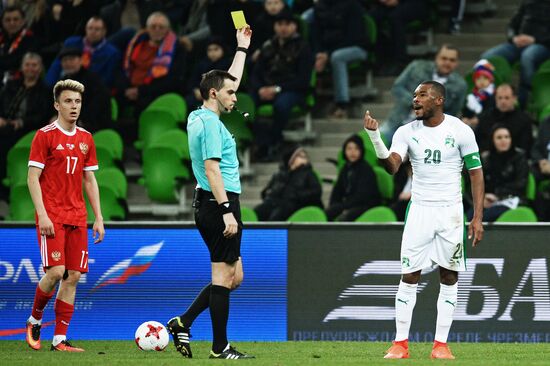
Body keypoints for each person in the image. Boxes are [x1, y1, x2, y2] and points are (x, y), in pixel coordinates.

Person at [364, 80, 484, 359]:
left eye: (422, 95)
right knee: (409, 274)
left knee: (449, 275)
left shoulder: (460, 130)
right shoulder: (406, 132)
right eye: (414, 95)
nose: (415, 100)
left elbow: (476, 173)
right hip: (420, 210)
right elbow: (393, 166)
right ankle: (400, 344)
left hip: (451, 212)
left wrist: (477, 217)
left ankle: (440, 345)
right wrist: (375, 138)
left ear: (439, 100)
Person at [166, 26, 254, 360]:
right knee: (223, 275)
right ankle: (220, 347)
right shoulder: (213, 127)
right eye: (231, 93)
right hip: (220, 203)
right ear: (215, 95)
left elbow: (227, 80)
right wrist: (227, 209)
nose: (236, 96)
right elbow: (213, 169)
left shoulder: (199, 116)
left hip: (212, 202)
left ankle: (183, 321)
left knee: (233, 277)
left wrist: (241, 48)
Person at [25, 79, 105, 352]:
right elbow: (32, 178)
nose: (74, 106)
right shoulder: (44, 135)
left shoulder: (86, 139)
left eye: (78, 101)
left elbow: (90, 180)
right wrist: (42, 214)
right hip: (53, 216)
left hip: (77, 216)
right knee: (56, 271)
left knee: (73, 277)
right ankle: (34, 319)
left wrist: (99, 217)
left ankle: (59, 339)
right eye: (68, 101)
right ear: (57, 105)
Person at [249, 9, 313, 160]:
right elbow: (256, 73)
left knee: (281, 105)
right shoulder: (268, 46)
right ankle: (263, 142)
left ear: (295, 26)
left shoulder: (303, 48)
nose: (283, 28)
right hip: (266, 88)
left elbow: (303, 80)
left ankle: (274, 143)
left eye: (287, 24)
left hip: (291, 89)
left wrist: (277, 89)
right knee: (244, 105)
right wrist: (260, 89)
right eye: (279, 24)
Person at [382, 44, 466, 139]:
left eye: (452, 60)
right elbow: (397, 87)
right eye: (444, 58)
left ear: (457, 63)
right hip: (398, 121)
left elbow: (453, 113)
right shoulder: (417, 67)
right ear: (436, 58)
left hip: (428, 132)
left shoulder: (460, 85)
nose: (447, 63)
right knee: (376, 145)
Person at [0, 52, 52, 200]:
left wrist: (21, 122)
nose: (30, 69)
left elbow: (42, 115)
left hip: (28, 129)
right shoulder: (11, 85)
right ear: (22, 67)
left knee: (5, 143)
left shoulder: (45, 90)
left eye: (34, 65)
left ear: (40, 68)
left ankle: (7, 182)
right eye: (27, 65)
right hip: (6, 124)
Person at [480, 0, 550, 108]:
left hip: (543, 45)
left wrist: (535, 39)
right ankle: (491, 97)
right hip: (518, 44)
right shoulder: (527, 3)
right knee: (487, 57)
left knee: (527, 56)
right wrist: (514, 38)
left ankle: (527, 97)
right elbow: (511, 26)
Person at [116, 11, 186, 117]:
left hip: (153, 92)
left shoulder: (176, 49)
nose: (157, 30)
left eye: (161, 27)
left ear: (168, 30)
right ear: (147, 28)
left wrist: (140, 91)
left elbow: (172, 80)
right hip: (129, 88)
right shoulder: (136, 43)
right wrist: (126, 88)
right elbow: (124, 68)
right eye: (153, 27)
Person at [312, 0, 368, 118]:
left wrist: (327, 54)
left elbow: (353, 36)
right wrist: (319, 53)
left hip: (356, 47)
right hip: (328, 51)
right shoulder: (319, 7)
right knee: (308, 55)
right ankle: (311, 101)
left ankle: (342, 103)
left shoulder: (353, 5)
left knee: (337, 57)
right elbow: (315, 34)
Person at [467, 125, 528, 222]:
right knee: (471, 216)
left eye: (507, 137)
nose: (503, 140)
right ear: (492, 140)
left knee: (485, 217)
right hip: (490, 199)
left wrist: (497, 194)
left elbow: (521, 183)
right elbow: (481, 182)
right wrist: (484, 196)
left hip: (510, 199)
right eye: (499, 137)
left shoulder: (519, 157)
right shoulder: (487, 158)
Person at [45, 16, 121, 88]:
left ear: (104, 32)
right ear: (85, 29)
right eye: (90, 28)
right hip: (64, 83)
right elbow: (56, 65)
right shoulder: (71, 42)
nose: (93, 32)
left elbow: (107, 79)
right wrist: (49, 86)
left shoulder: (112, 53)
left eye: (97, 29)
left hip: (91, 89)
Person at [254, 145, 323, 221]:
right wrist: (268, 193)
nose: (304, 159)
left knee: (278, 214)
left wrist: (297, 195)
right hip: (275, 202)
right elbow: (267, 191)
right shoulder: (279, 175)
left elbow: (316, 192)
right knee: (259, 211)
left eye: (305, 156)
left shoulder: (309, 174)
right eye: (300, 156)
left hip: (296, 204)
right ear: (292, 158)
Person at [54, 46, 112, 133]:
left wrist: (80, 119)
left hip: (91, 125)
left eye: (72, 59)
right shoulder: (61, 82)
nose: (68, 63)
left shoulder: (92, 79)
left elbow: (99, 104)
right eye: (65, 60)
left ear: (81, 60)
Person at [325, 134, 381, 221]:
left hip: (365, 205)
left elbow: (362, 196)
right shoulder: (345, 168)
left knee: (344, 218)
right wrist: (333, 205)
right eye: (349, 149)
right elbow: (337, 190)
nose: (352, 152)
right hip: (349, 204)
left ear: (361, 151)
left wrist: (343, 206)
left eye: (356, 149)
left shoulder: (366, 169)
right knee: (328, 212)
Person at [474, 83, 534, 155]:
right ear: (495, 98)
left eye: (507, 98)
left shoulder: (524, 120)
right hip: (488, 160)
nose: (503, 101)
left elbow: (525, 147)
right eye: (500, 98)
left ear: (514, 99)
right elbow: (477, 142)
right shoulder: (485, 117)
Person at [0, 6, 37, 86]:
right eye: (8, 20)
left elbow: (16, 62)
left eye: (16, 19)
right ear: (2, 22)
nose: (12, 23)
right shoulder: (2, 37)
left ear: (23, 21)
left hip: (18, 82)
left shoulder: (30, 39)